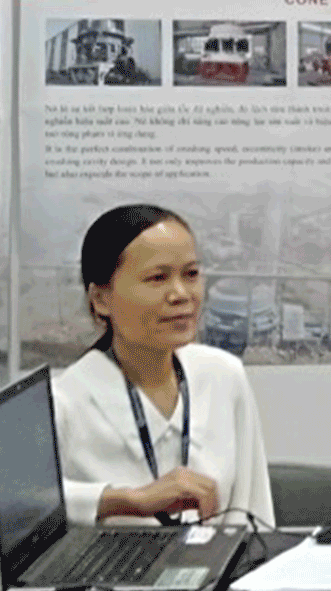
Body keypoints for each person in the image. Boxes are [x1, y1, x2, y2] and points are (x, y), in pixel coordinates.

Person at [51, 203, 275, 529]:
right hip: (119, 563)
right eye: (158, 278)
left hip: (220, 561)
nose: (181, 294)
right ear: (101, 299)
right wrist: (124, 500)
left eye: (191, 274)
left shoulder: (222, 375)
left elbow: (256, 517)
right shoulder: (64, 401)